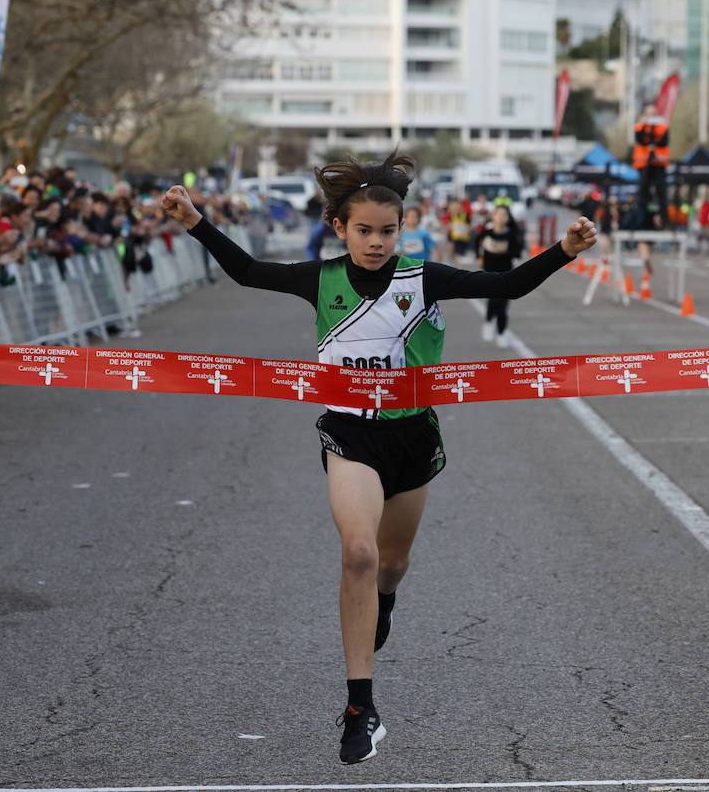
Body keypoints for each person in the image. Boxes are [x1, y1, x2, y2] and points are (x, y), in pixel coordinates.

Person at [159, 152, 596, 766]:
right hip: (350, 435)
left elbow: (505, 285)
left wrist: (566, 249)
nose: (375, 242)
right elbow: (249, 271)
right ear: (340, 228)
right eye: (363, 230)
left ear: (401, 229)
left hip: (412, 438)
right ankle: (361, 708)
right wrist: (196, 221)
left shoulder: (424, 279)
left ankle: (384, 602)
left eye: (387, 231)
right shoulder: (321, 278)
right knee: (359, 552)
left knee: (391, 563)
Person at [474, 203, 525, 346]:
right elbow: (477, 241)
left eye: (504, 215)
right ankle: (489, 322)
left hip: (506, 273)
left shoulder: (511, 234)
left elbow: (518, 252)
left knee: (502, 304)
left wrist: (505, 251)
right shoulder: (487, 233)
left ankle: (502, 332)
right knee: (492, 299)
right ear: (493, 216)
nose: (501, 217)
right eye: (498, 214)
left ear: (508, 218)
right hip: (489, 272)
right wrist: (479, 256)